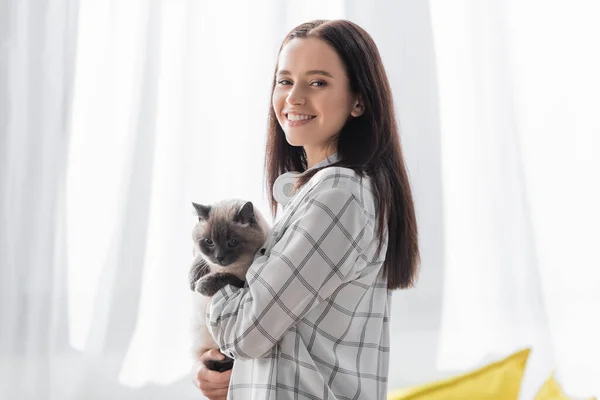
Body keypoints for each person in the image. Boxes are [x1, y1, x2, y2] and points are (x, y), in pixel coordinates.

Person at [193, 19, 420, 400]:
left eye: (317, 82)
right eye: (285, 81)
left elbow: (245, 334)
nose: (294, 98)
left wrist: (216, 286)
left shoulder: (337, 195)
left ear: (359, 100)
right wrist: (232, 371)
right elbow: (284, 340)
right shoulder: (310, 192)